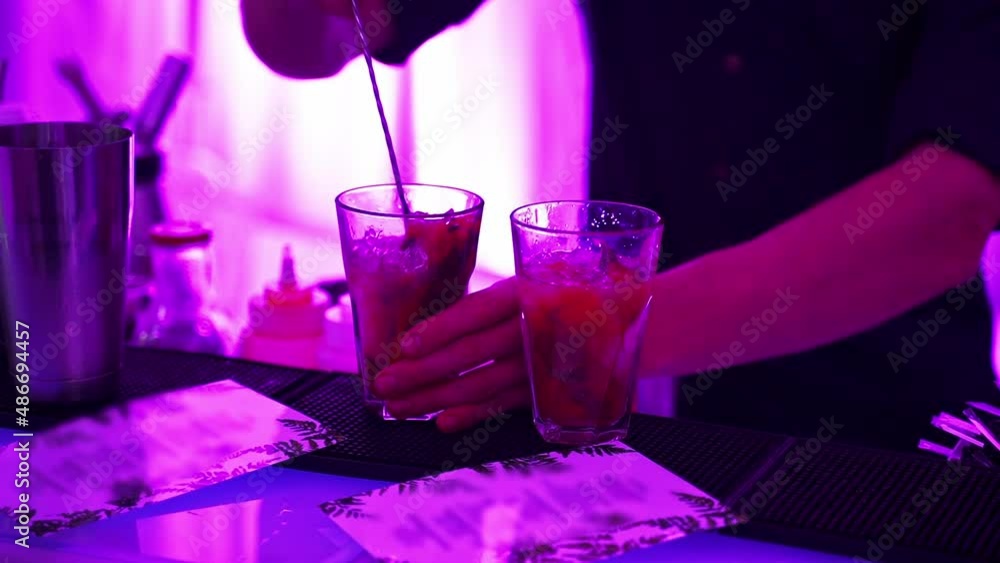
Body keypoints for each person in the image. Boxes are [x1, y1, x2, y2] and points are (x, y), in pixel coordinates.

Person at [241, 0, 1000, 450]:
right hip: (625, 423)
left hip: (892, 417)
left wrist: (607, 331)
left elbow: (955, 203)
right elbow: (324, 36)